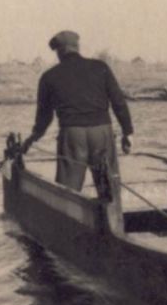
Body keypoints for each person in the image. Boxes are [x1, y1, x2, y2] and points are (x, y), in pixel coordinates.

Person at [22, 30, 133, 192]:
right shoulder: (100, 67)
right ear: (77, 47)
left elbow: (44, 117)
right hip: (101, 132)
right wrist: (127, 132)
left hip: (72, 135)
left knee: (68, 191)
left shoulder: (49, 77)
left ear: (59, 51)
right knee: (109, 189)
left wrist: (32, 138)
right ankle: (111, 207)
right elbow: (119, 102)